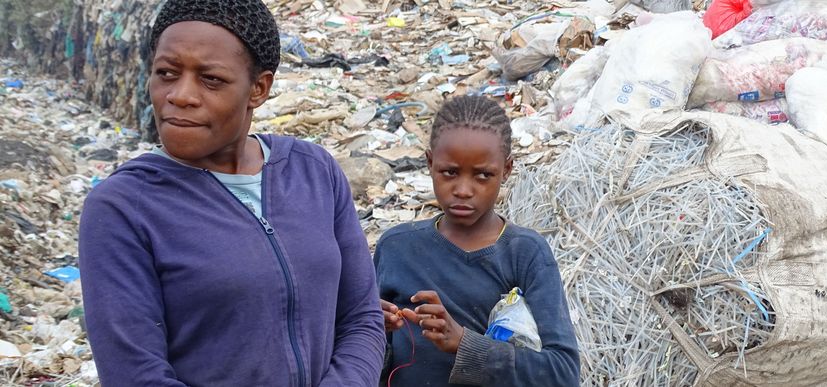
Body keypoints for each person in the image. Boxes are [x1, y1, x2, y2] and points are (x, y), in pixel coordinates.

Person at [78, 1, 385, 385]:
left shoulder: (314, 171)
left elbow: (361, 317)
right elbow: (135, 374)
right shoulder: (123, 207)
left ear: (259, 89)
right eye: (166, 73)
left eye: (211, 79)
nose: (180, 95)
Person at [374, 96, 580, 386]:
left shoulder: (525, 254)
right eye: (450, 172)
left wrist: (464, 344)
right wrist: (373, 328)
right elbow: (363, 355)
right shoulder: (396, 248)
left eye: (483, 175)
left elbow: (563, 373)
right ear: (430, 163)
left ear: (506, 170)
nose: (463, 190)